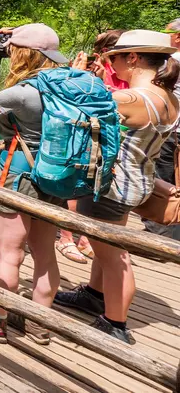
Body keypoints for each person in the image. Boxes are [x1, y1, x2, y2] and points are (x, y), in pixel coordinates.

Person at [55, 30, 180, 344]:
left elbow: (69, 110)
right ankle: (95, 295)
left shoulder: (131, 99)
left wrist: (75, 74)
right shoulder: (168, 97)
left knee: (115, 257)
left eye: (114, 57)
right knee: (104, 247)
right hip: (136, 182)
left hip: (111, 188)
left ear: (133, 58)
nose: (111, 63)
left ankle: (115, 324)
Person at [0, 23, 69, 345]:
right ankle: (40, 324)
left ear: (22, 54)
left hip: (20, 174)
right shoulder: (70, 83)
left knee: (10, 255)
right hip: (58, 174)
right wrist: (17, 30)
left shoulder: (23, 92)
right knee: (45, 253)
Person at [57, 30, 126, 263]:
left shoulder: (121, 75)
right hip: (87, 140)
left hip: (109, 144)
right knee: (77, 187)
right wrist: (80, 76)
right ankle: (66, 238)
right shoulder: (99, 72)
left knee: (96, 191)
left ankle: (86, 238)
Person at [148, 19, 180, 240]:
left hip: (171, 130)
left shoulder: (172, 62)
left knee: (162, 179)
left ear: (177, 37)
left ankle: (158, 234)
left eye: (166, 32)